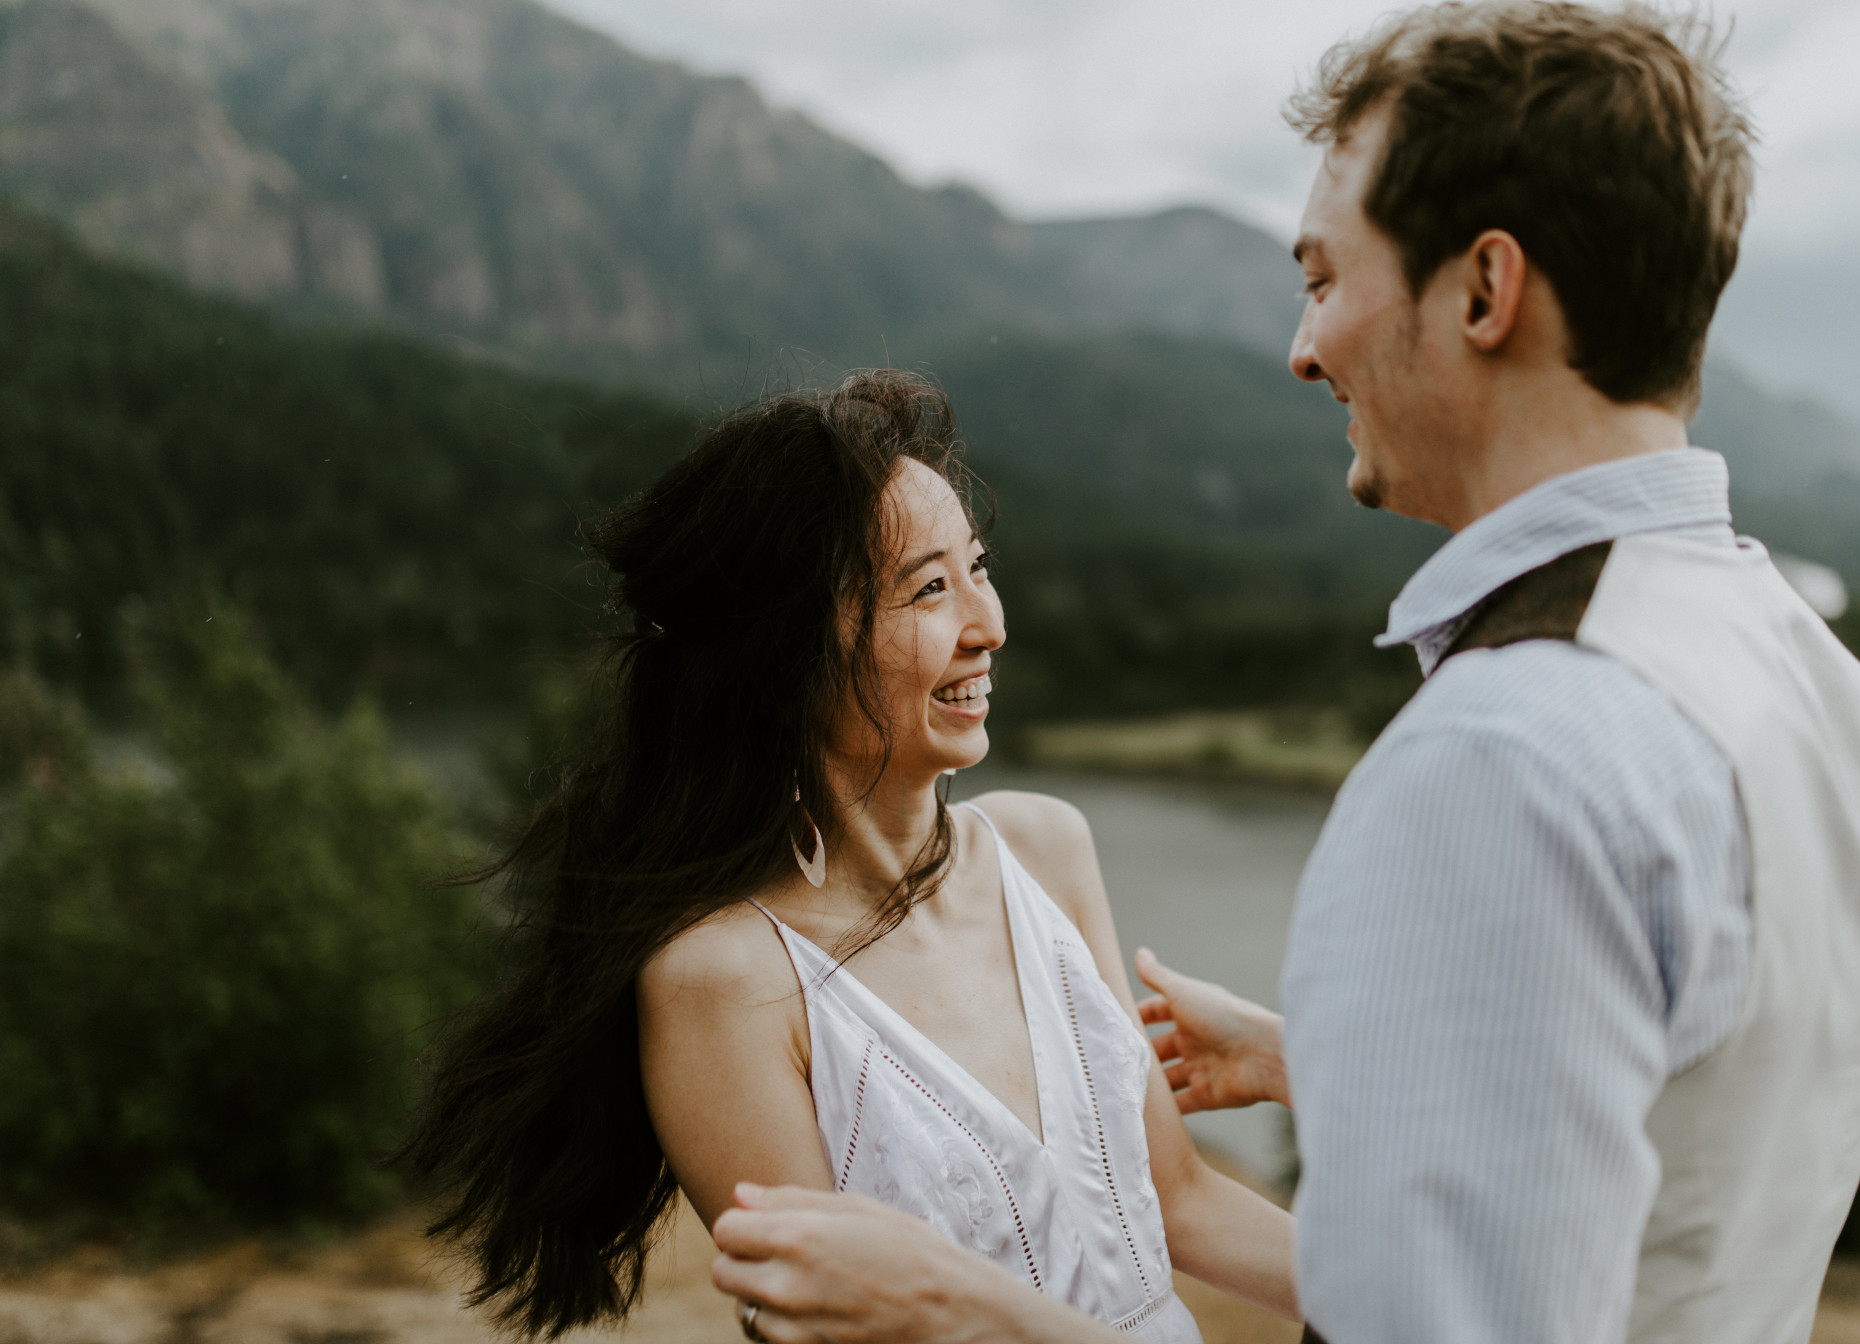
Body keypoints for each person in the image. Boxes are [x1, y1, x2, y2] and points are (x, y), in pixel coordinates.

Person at [708, 5, 1860, 1343]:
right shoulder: (1810, 676)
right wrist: (1317, 1060)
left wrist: (961, 1312)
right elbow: (1695, 1115)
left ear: (1483, 290)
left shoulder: (1503, 757)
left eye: (1325, 279)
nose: (1304, 348)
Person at [402, 371, 1297, 1343]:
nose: (989, 627)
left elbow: (1177, 1203)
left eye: (979, 568)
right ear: (785, 656)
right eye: (928, 589)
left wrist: (1429, 1298)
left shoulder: (1046, 846)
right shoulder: (728, 981)